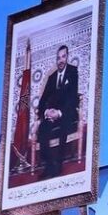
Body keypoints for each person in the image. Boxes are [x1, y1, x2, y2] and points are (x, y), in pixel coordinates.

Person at [36, 45, 79, 179]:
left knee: (64, 125)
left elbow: (73, 98)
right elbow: (43, 100)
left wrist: (59, 113)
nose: (60, 60)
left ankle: (58, 165)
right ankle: (49, 165)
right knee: (42, 129)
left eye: (63, 57)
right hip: (52, 115)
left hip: (67, 113)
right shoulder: (52, 77)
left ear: (67, 57)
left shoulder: (73, 72)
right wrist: (47, 112)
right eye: (58, 58)